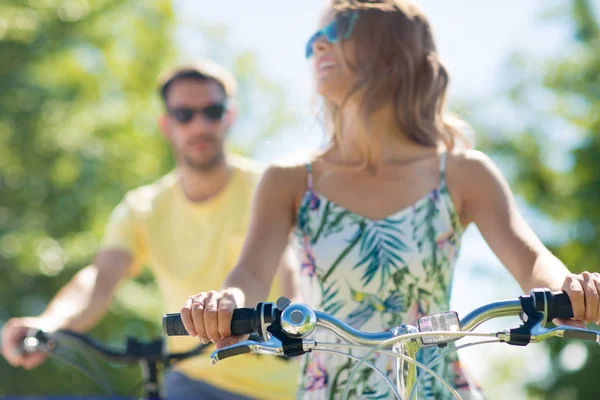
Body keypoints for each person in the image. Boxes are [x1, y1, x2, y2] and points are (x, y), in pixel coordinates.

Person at [178, 1, 600, 399]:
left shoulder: (462, 173)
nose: (319, 44)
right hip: (332, 390)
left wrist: (570, 289)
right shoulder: (288, 181)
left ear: (393, 49)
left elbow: (532, 263)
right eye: (314, 38)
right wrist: (228, 301)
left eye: (337, 29)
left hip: (434, 385)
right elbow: (250, 273)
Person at [1, 60, 300, 400]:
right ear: (166, 124)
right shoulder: (143, 208)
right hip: (194, 381)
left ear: (229, 117)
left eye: (212, 112)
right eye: (184, 115)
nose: (199, 124)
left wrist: (294, 325)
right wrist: (49, 323)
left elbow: (298, 270)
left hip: (283, 386)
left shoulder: (269, 188)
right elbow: (99, 280)